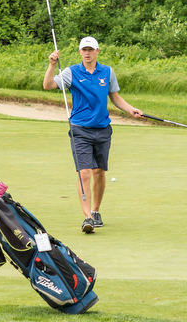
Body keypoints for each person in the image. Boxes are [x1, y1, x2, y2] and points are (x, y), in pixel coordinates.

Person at [43, 36, 143, 233]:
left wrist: (131, 110)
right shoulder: (72, 72)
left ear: (98, 51)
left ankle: (96, 210)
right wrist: (52, 65)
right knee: (85, 173)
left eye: (91, 49)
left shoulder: (107, 72)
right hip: (80, 129)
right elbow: (48, 85)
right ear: (80, 52)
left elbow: (114, 97)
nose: (87, 53)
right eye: (84, 50)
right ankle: (87, 217)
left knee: (99, 172)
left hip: (103, 129)